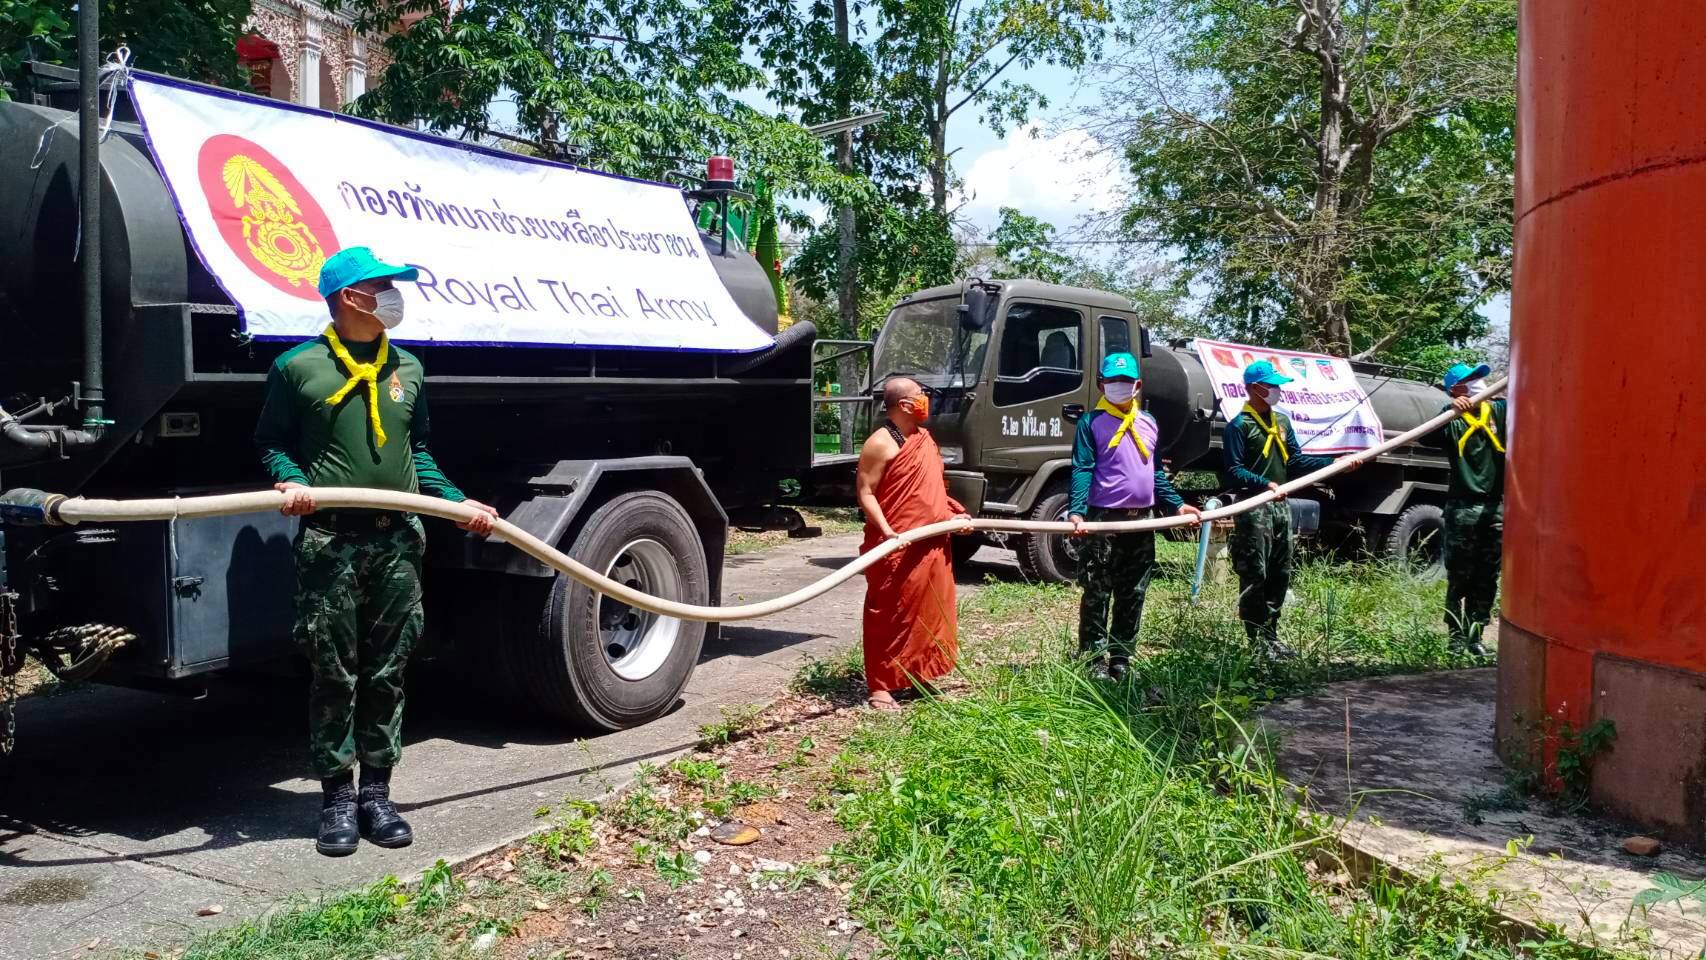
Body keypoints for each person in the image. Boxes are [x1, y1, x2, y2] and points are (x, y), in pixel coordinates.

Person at [255, 246, 498, 857]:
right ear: (348, 297)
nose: (393, 294)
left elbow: (419, 453)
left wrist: (459, 501)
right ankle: (337, 797)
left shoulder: (409, 368)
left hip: (398, 540)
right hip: (332, 540)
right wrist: (289, 481)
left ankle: (378, 796)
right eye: (382, 285)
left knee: (388, 669)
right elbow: (272, 442)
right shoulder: (296, 367)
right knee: (333, 669)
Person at [1067, 353, 1202, 680]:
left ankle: (1121, 658)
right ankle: (1094, 658)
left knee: (1134, 591)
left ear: (1137, 385)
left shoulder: (1149, 423)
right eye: (1112, 381)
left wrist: (1176, 504)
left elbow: (1154, 472)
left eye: (1125, 382)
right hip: (1104, 521)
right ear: (1101, 383)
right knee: (1098, 589)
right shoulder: (1091, 423)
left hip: (1142, 522)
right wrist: (1077, 511)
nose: (1118, 387)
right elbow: (1083, 469)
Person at [1222, 360, 1354, 658]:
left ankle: (1272, 633)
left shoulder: (1281, 422)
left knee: (1280, 571)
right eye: (1271, 385)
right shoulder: (1239, 426)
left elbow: (1295, 462)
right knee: (1256, 571)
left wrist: (1333, 465)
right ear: (1254, 388)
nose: (1276, 390)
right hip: (1253, 508)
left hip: (1281, 507)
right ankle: (1256, 638)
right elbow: (1233, 471)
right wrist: (1263, 483)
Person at [855, 377, 972, 711]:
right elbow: (865, 493)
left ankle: (917, 674)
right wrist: (889, 531)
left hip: (931, 543)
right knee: (889, 613)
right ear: (905, 404)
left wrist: (951, 514)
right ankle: (880, 687)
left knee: (929, 610)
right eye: (922, 395)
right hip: (896, 544)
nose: (927, 400)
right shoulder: (880, 443)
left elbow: (931, 488)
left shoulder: (924, 439)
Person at [1437, 361, 1505, 657]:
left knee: (1487, 576)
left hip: (1494, 509)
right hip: (1462, 508)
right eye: (1471, 380)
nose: (1479, 383)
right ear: (1455, 389)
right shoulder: (1450, 420)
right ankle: (1455, 637)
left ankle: (1476, 636)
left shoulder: (1499, 413)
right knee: (1459, 576)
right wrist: (1451, 408)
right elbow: (1430, 434)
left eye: (1480, 378)